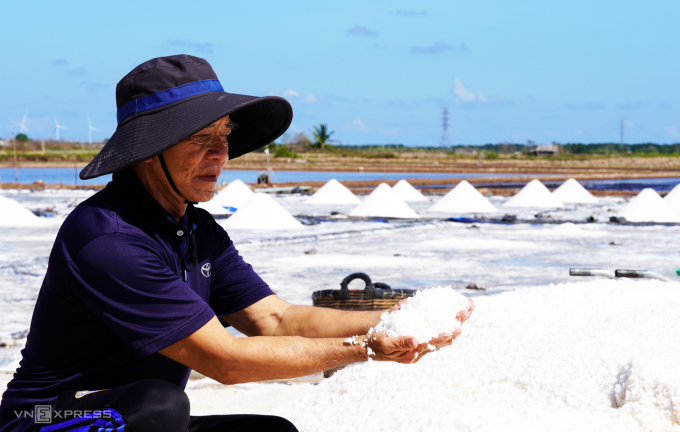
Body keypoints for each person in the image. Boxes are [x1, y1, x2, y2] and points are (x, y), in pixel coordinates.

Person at [0, 55, 473, 432]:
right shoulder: (108, 238)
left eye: (223, 135)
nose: (221, 153)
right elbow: (224, 361)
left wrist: (400, 318)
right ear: (147, 154)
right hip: (43, 418)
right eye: (200, 138)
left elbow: (275, 319)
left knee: (270, 431)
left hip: (137, 417)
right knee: (161, 404)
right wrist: (366, 347)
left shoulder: (199, 231)